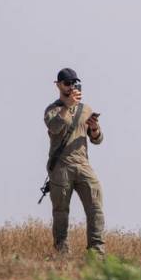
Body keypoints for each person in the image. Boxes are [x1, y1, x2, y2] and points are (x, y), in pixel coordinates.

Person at [43, 67, 105, 255]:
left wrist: (94, 129)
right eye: (67, 83)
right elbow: (53, 128)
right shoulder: (53, 110)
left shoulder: (85, 109)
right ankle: (62, 251)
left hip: (83, 165)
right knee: (61, 211)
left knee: (96, 207)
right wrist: (67, 107)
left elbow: (97, 139)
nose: (71, 87)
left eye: (74, 83)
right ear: (59, 85)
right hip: (61, 167)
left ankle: (96, 252)